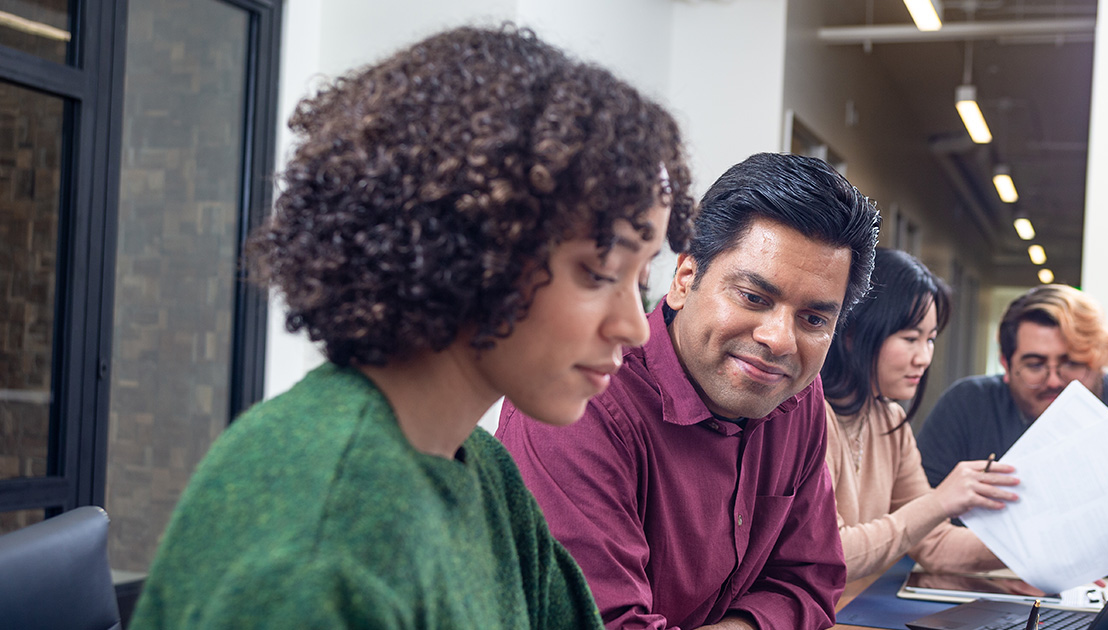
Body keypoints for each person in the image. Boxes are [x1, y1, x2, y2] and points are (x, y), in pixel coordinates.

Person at [129, 25, 698, 629]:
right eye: (599, 272)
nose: (635, 328)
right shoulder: (321, 537)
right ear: (474, 244)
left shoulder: (481, 471)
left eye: (640, 283)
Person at [497, 153, 879, 630]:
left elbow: (811, 584)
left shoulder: (796, 396)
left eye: (814, 319)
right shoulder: (579, 399)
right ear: (684, 279)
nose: (779, 340)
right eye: (754, 298)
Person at [820, 248, 1018, 582]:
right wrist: (939, 502)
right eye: (911, 338)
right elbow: (831, 556)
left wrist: (1045, 547)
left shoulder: (889, 420)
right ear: (853, 333)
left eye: (931, 339)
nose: (924, 357)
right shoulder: (810, 416)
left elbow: (935, 544)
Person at [918, 284, 1108, 490]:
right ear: (1005, 363)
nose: (1054, 380)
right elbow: (922, 509)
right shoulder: (967, 405)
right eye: (1035, 365)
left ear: (1098, 361)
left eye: (1072, 364)